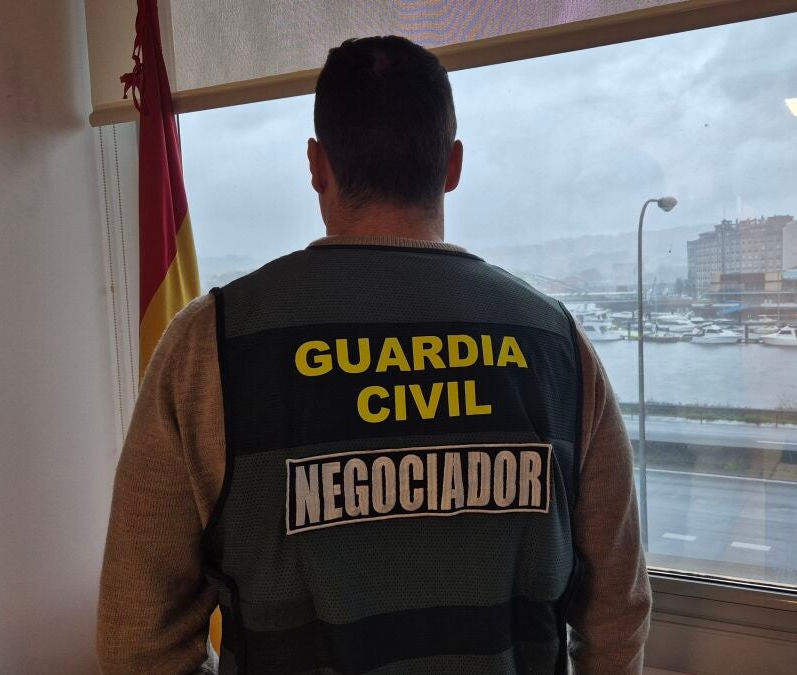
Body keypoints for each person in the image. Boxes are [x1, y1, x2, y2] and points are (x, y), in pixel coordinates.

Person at [98, 35, 649, 674]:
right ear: (453, 165)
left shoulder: (211, 346)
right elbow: (617, 614)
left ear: (316, 164)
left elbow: (138, 642)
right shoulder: (556, 347)